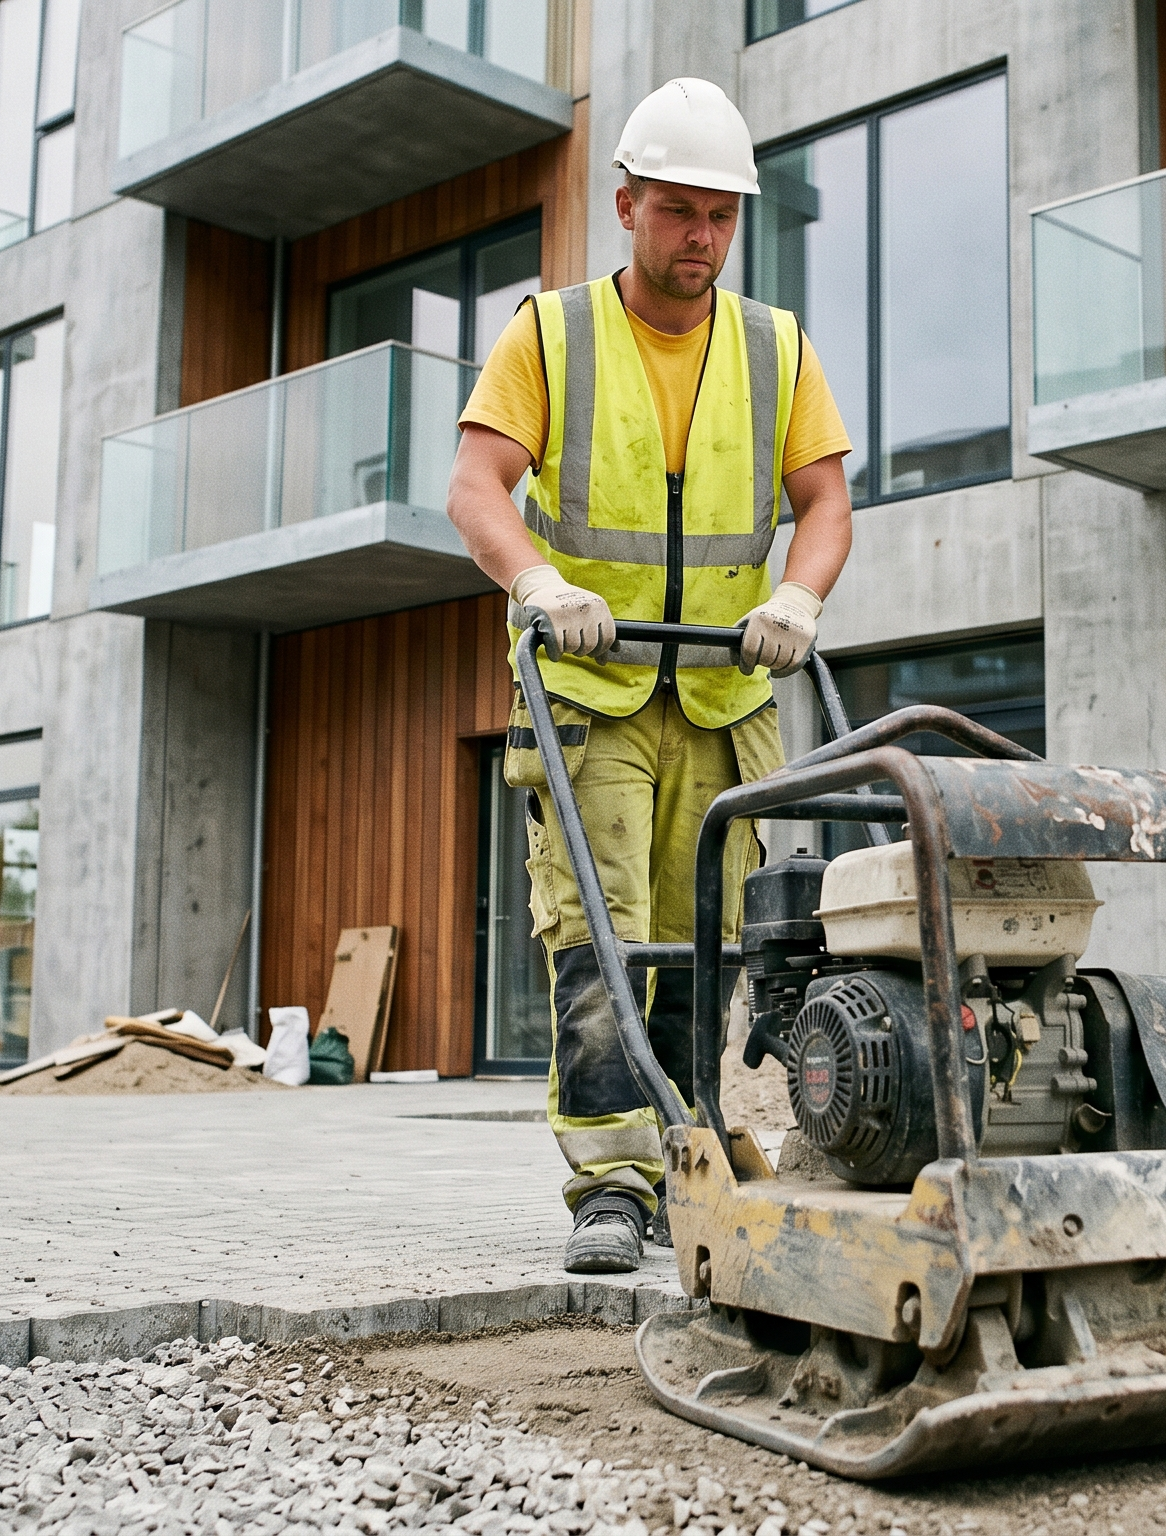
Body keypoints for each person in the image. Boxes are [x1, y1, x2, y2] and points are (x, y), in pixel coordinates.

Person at [445, 78, 856, 1274]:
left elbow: (823, 501)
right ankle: (612, 1185)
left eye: (721, 217)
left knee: (705, 941)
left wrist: (797, 594)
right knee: (601, 938)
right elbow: (479, 487)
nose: (702, 239)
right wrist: (532, 583)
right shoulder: (551, 333)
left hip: (725, 696)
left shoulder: (776, 348)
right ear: (624, 204)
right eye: (678, 212)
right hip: (592, 689)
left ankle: (684, 1153)